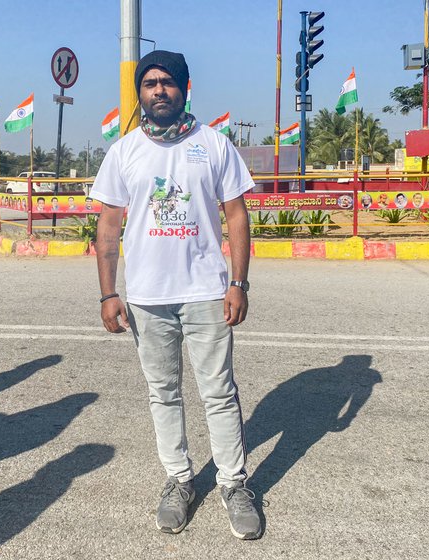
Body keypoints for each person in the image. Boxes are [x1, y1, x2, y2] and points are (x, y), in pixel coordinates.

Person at [90, 50, 260, 540]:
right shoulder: (124, 152)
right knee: (162, 392)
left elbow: (237, 217)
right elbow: (108, 226)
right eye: (150, 83)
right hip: (146, 297)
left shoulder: (214, 145)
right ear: (140, 92)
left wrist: (238, 282)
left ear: (185, 89)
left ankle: (234, 484)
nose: (158, 90)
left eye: (168, 82)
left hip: (208, 292)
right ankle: (180, 479)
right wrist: (108, 293)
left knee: (219, 393)